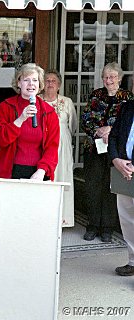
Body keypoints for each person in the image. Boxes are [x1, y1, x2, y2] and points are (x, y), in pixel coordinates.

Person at [81, 62, 134, 242]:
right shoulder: (96, 95)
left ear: (119, 78)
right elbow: (86, 118)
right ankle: (93, 225)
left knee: (111, 188)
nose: (109, 80)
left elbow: (126, 124)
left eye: (112, 77)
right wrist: (98, 130)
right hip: (93, 147)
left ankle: (107, 228)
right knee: (93, 187)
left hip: (115, 151)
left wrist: (111, 129)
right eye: (106, 77)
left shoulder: (128, 98)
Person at [0, 63, 60, 181]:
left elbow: (52, 147)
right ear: (19, 83)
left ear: (40, 84)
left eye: (35, 80)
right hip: (11, 171)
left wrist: (41, 171)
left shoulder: (49, 113)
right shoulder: (6, 107)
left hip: (38, 173)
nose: (31, 84)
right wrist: (20, 120)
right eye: (26, 80)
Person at [40, 70, 77, 227]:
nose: (50, 83)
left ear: (59, 85)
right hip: (42, 144)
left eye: (53, 81)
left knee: (63, 177)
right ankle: (43, 220)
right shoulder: (36, 100)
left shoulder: (66, 102)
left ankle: (64, 219)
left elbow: (73, 125)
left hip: (62, 144)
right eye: (47, 80)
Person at [108, 100, 134, 276]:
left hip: (130, 169)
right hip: (122, 172)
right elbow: (114, 136)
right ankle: (133, 262)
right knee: (127, 219)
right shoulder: (128, 107)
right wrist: (116, 160)